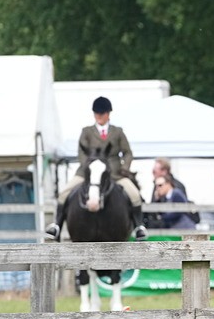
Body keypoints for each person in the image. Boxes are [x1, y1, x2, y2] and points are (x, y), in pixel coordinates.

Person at [45, 96, 146, 241]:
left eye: (102, 113)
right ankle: (57, 226)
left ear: (108, 114)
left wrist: (125, 167)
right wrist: (91, 168)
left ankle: (138, 227)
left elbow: (128, 152)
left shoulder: (117, 132)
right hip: (88, 171)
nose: (99, 116)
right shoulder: (86, 131)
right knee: (64, 193)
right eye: (96, 113)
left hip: (114, 172)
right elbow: (81, 153)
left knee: (134, 194)